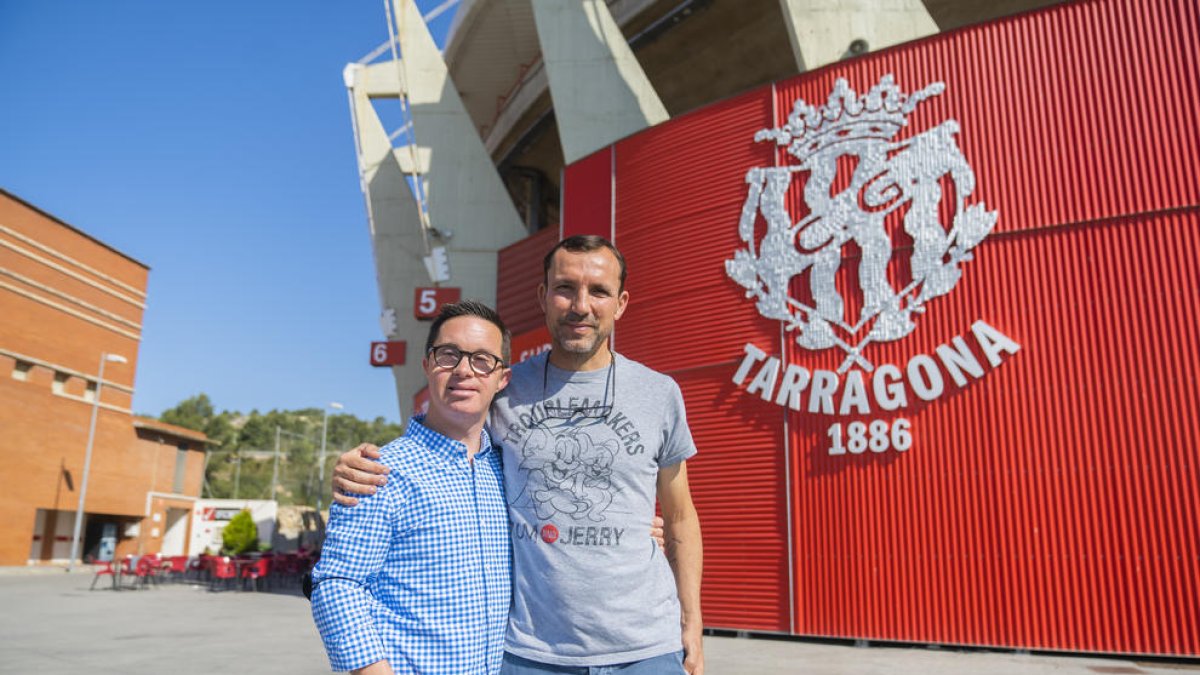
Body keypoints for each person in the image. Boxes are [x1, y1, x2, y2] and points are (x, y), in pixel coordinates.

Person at [334, 235, 704, 674]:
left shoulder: (659, 394)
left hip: (646, 648)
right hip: (531, 654)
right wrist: (356, 466)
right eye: (565, 288)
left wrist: (691, 620)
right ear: (543, 296)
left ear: (620, 303)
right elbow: (445, 433)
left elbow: (680, 517)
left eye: (599, 291)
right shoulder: (504, 389)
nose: (580, 305)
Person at [310, 300, 513, 674]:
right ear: (427, 366)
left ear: (502, 379)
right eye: (448, 355)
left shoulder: (507, 471)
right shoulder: (379, 472)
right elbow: (338, 585)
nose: (464, 370)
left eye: (483, 359)